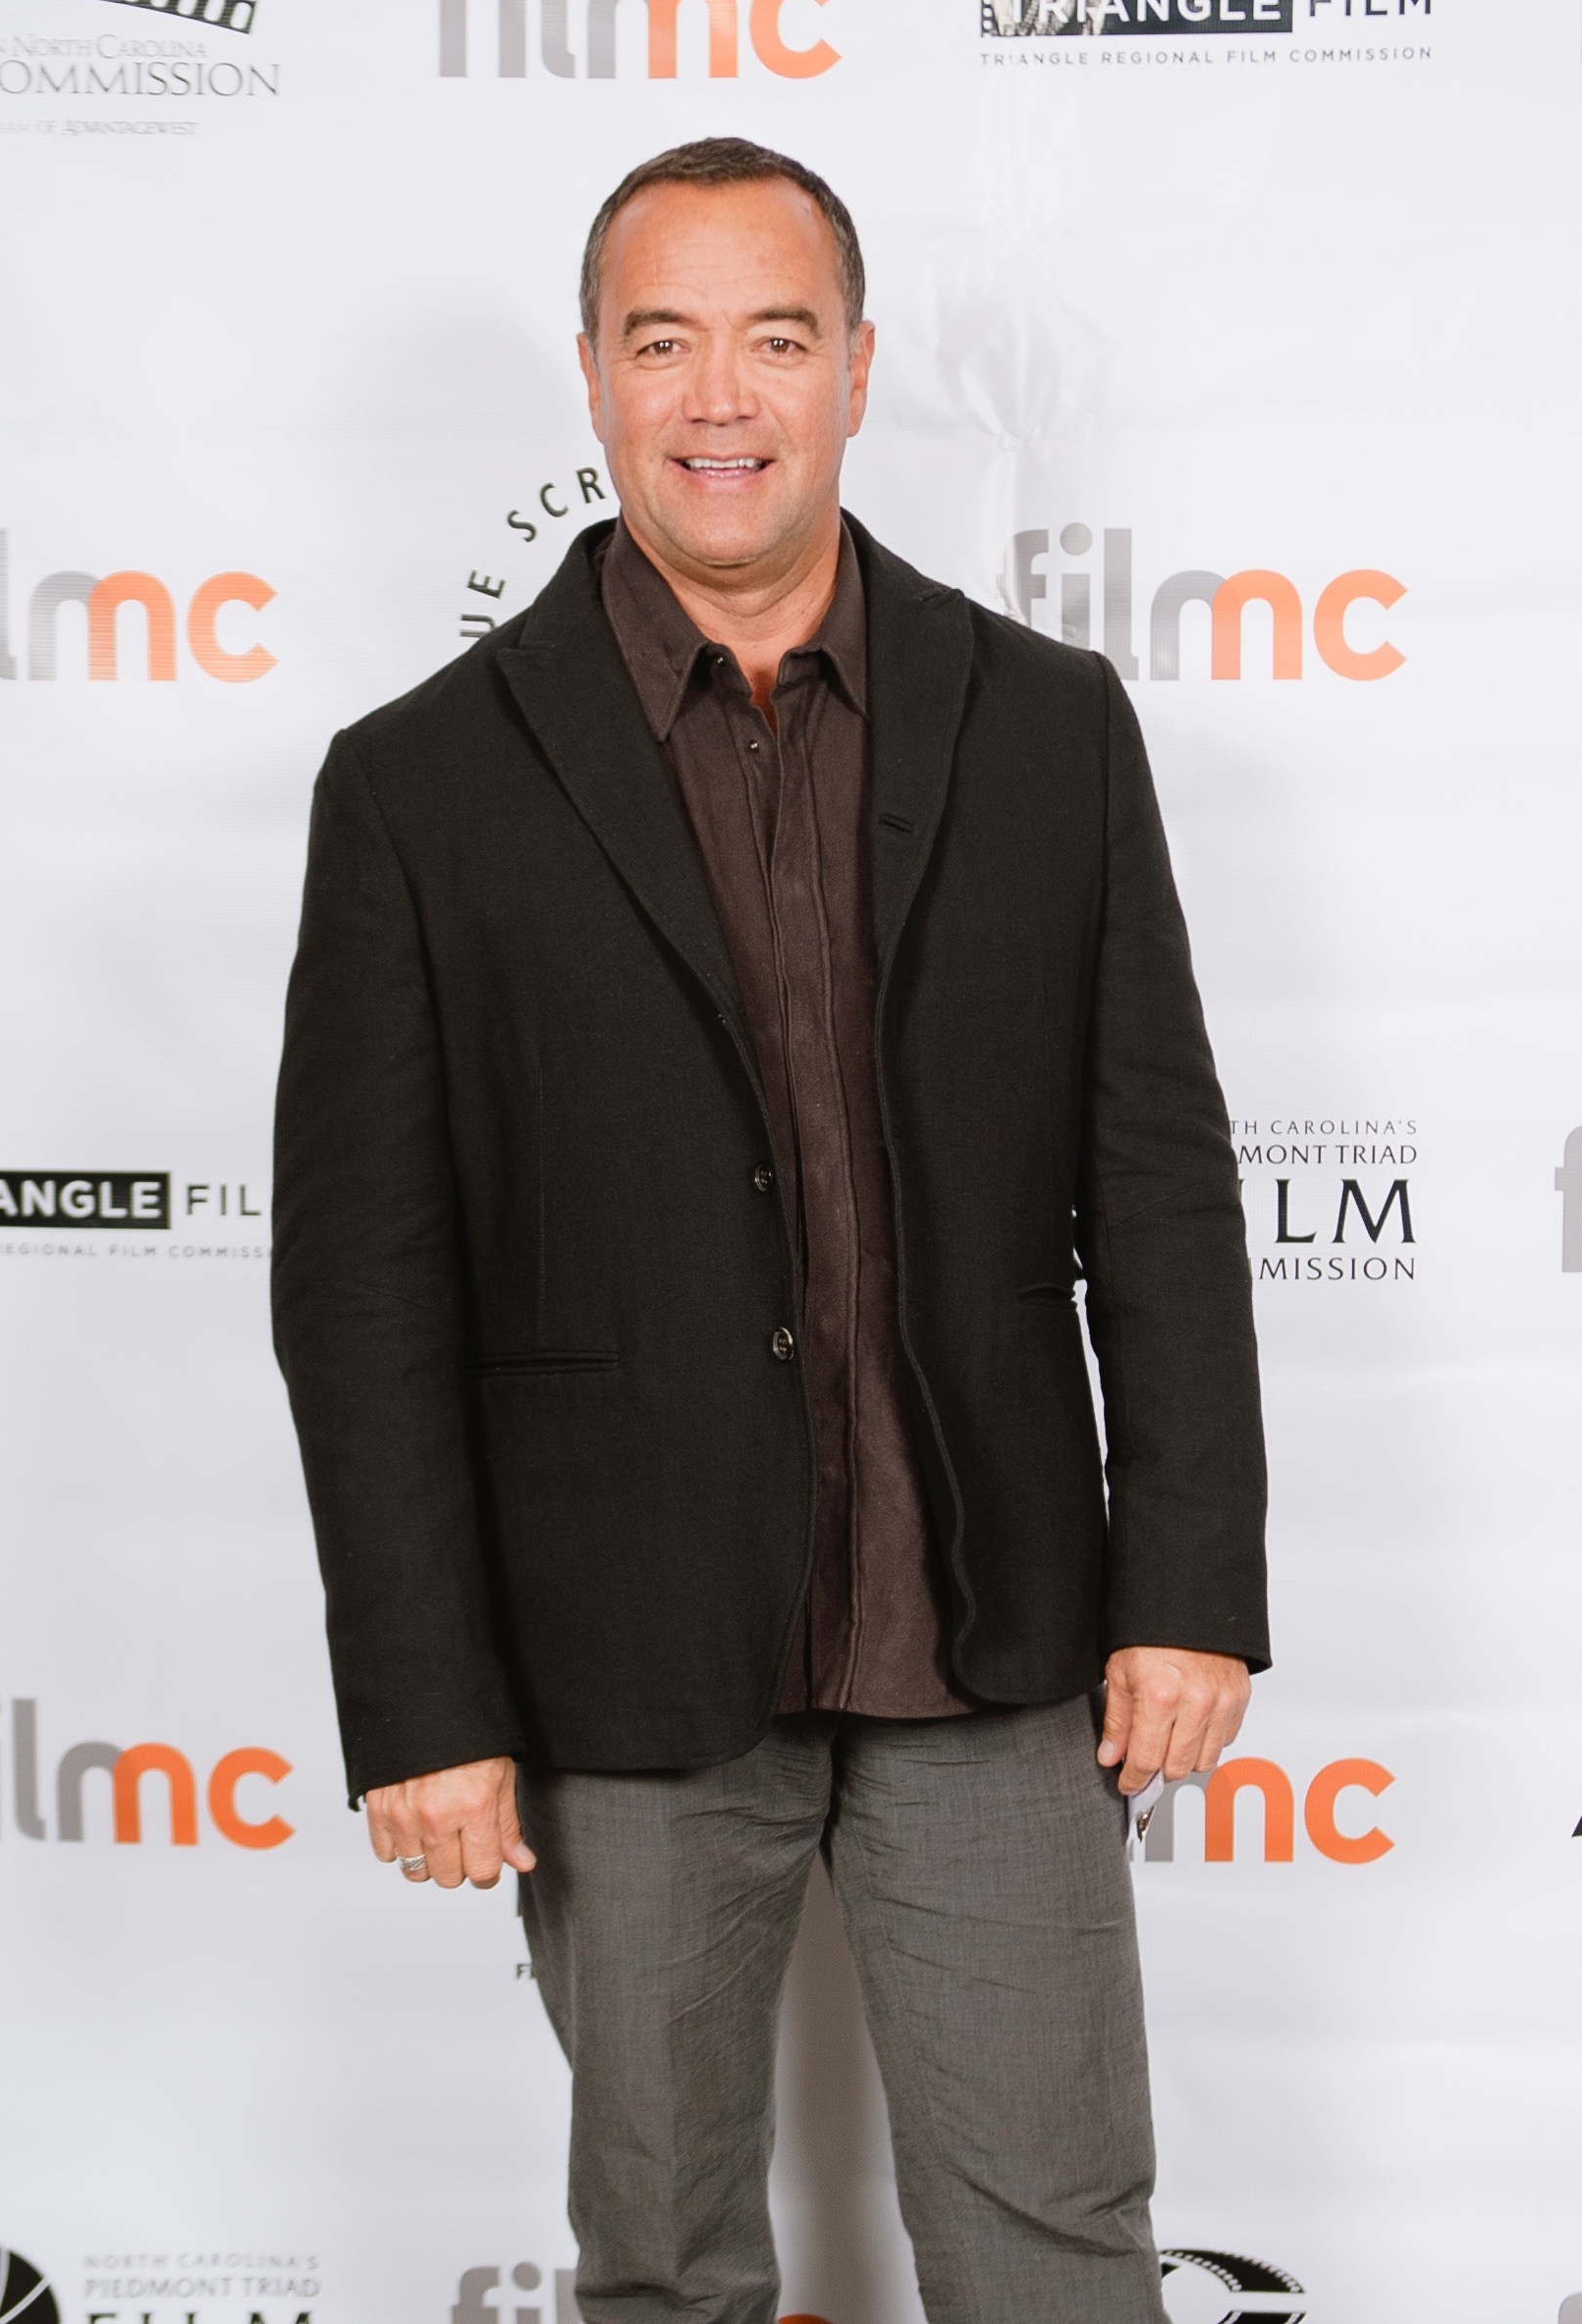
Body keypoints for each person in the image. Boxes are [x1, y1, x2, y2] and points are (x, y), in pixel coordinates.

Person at [272, 136, 1268, 2324]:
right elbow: (362, 1291)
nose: (720, 397)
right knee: (661, 2265)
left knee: (1057, 2250)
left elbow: (1161, 1183)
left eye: (776, 339)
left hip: (996, 1643)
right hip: (615, 1667)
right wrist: (425, 1696)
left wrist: (1190, 1584)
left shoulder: (1053, 727)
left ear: (858, 370)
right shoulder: (417, 787)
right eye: (665, 341)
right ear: (592, 377)